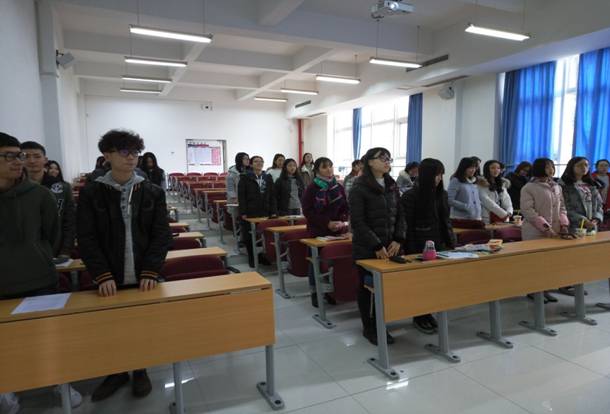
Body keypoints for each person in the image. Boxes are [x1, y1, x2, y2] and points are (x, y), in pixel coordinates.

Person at [77, 129, 171, 402]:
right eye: (124, 152)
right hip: (110, 273)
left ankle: (140, 369)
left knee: (142, 325)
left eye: (135, 152)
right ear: (107, 155)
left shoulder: (151, 191)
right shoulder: (92, 192)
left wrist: (151, 269)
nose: (131, 158)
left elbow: (161, 234)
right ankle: (115, 372)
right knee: (111, 327)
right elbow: (86, 237)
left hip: (143, 272)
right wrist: (101, 274)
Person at [0, 133, 82, 410]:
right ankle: (7, 387)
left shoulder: (40, 195)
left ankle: (60, 383)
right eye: (9, 156)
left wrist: (39, 253)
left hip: (40, 277)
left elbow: (54, 235)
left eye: (19, 155)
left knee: (49, 337)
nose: (18, 161)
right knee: (6, 343)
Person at [349, 147, 405, 345]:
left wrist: (398, 239)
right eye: (382, 158)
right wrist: (376, 244)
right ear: (370, 162)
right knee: (368, 288)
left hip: (391, 246)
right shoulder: (359, 187)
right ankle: (369, 327)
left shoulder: (391, 185)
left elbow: (401, 214)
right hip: (367, 247)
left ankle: (383, 322)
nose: (387, 161)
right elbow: (358, 221)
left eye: (389, 158)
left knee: (386, 287)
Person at [401, 158, 455, 334]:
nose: (439, 179)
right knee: (420, 285)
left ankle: (429, 312)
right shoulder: (410, 196)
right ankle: (419, 316)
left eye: (441, 175)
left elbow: (446, 221)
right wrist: (411, 251)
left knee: (435, 284)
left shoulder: (442, 194)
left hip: (439, 244)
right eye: (436, 175)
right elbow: (406, 226)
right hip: (419, 247)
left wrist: (451, 243)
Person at [301, 157, 349, 307]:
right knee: (315, 262)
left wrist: (342, 221)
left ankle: (331, 291)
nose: (329, 169)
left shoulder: (337, 186)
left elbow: (345, 206)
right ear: (317, 170)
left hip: (337, 230)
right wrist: (327, 223)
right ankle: (315, 292)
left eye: (330, 166)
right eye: (324, 167)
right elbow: (308, 212)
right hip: (318, 230)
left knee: (333, 261)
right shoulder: (312, 188)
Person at [520, 158, 570, 303]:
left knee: (549, 263)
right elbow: (528, 211)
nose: (551, 170)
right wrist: (545, 227)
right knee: (535, 264)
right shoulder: (529, 187)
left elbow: (562, 208)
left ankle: (545, 289)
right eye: (548, 167)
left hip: (555, 230)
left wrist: (564, 224)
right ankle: (534, 291)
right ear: (539, 168)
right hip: (535, 232)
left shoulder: (557, 187)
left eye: (552, 167)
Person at [21, 142, 76, 258]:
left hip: (56, 249)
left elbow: (70, 221)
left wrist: (65, 251)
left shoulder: (62, 187)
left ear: (45, 160)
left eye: (37, 156)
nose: (31, 161)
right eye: (26, 156)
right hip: (22, 251)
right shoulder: (12, 188)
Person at [238, 155, 276, 268]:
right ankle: (252, 257)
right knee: (250, 236)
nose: (259, 163)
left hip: (265, 211)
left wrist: (273, 211)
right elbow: (241, 196)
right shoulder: (245, 177)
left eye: (261, 161)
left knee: (265, 235)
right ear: (251, 164)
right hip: (250, 211)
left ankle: (263, 256)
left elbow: (272, 196)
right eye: (256, 161)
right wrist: (243, 212)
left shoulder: (267, 177)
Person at [478, 160, 513, 224]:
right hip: (488, 217)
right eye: (493, 168)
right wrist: (503, 213)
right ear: (487, 169)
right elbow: (486, 201)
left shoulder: (501, 183)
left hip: (503, 217)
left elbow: (507, 199)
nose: (496, 170)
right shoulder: (481, 183)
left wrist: (509, 211)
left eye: (498, 168)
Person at [447, 157, 482, 223]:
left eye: (474, 167)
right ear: (463, 168)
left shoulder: (474, 181)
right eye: (470, 167)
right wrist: (466, 206)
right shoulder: (456, 180)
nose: (473, 170)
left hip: (476, 217)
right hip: (461, 218)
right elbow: (449, 200)